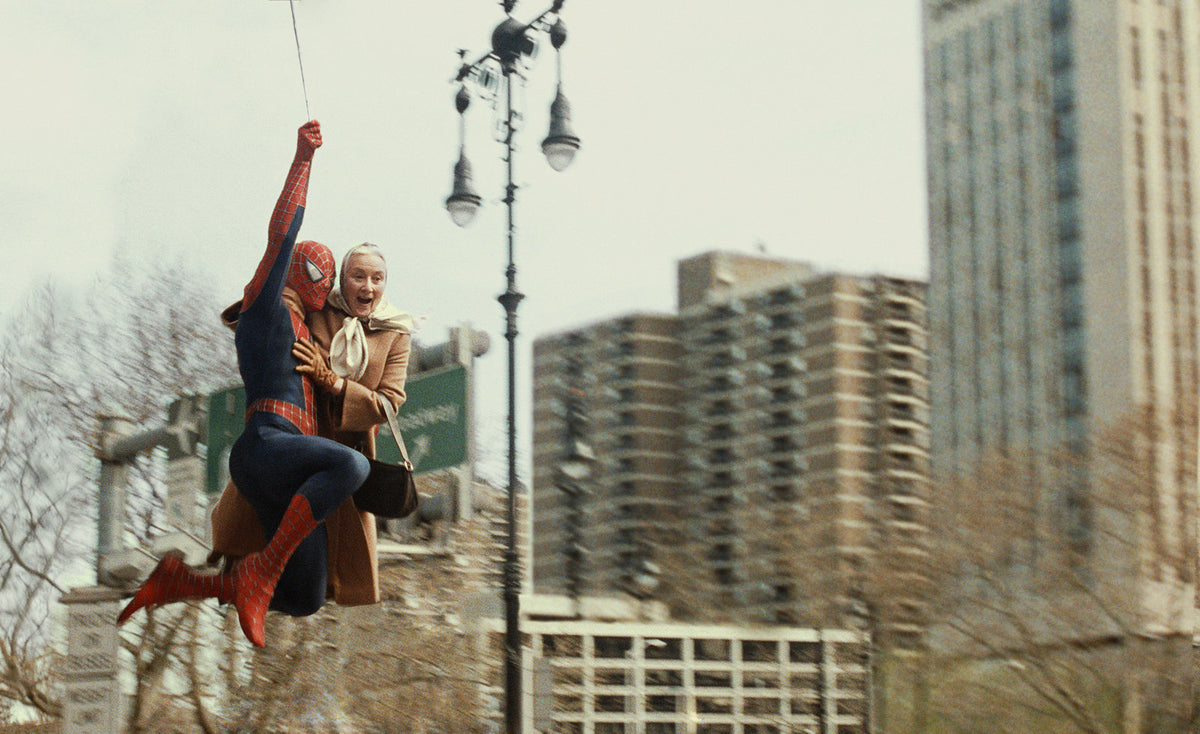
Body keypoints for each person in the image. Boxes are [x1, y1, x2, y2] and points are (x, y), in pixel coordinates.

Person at [118, 120, 370, 648]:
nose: (326, 282)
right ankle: (260, 572)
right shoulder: (264, 309)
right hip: (266, 446)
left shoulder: (310, 333)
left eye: (329, 277)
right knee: (350, 466)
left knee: (305, 596)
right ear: (297, 272)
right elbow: (282, 233)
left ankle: (184, 582)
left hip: (288, 468)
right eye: (318, 271)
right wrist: (303, 159)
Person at [208, 241, 414, 606]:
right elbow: (274, 322)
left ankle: (229, 587)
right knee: (259, 546)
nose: (368, 286)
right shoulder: (318, 308)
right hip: (295, 441)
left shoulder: (397, 333)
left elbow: (388, 403)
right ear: (341, 280)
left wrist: (333, 381)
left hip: (343, 457)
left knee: (309, 594)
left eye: (377, 278)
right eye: (358, 276)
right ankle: (226, 583)